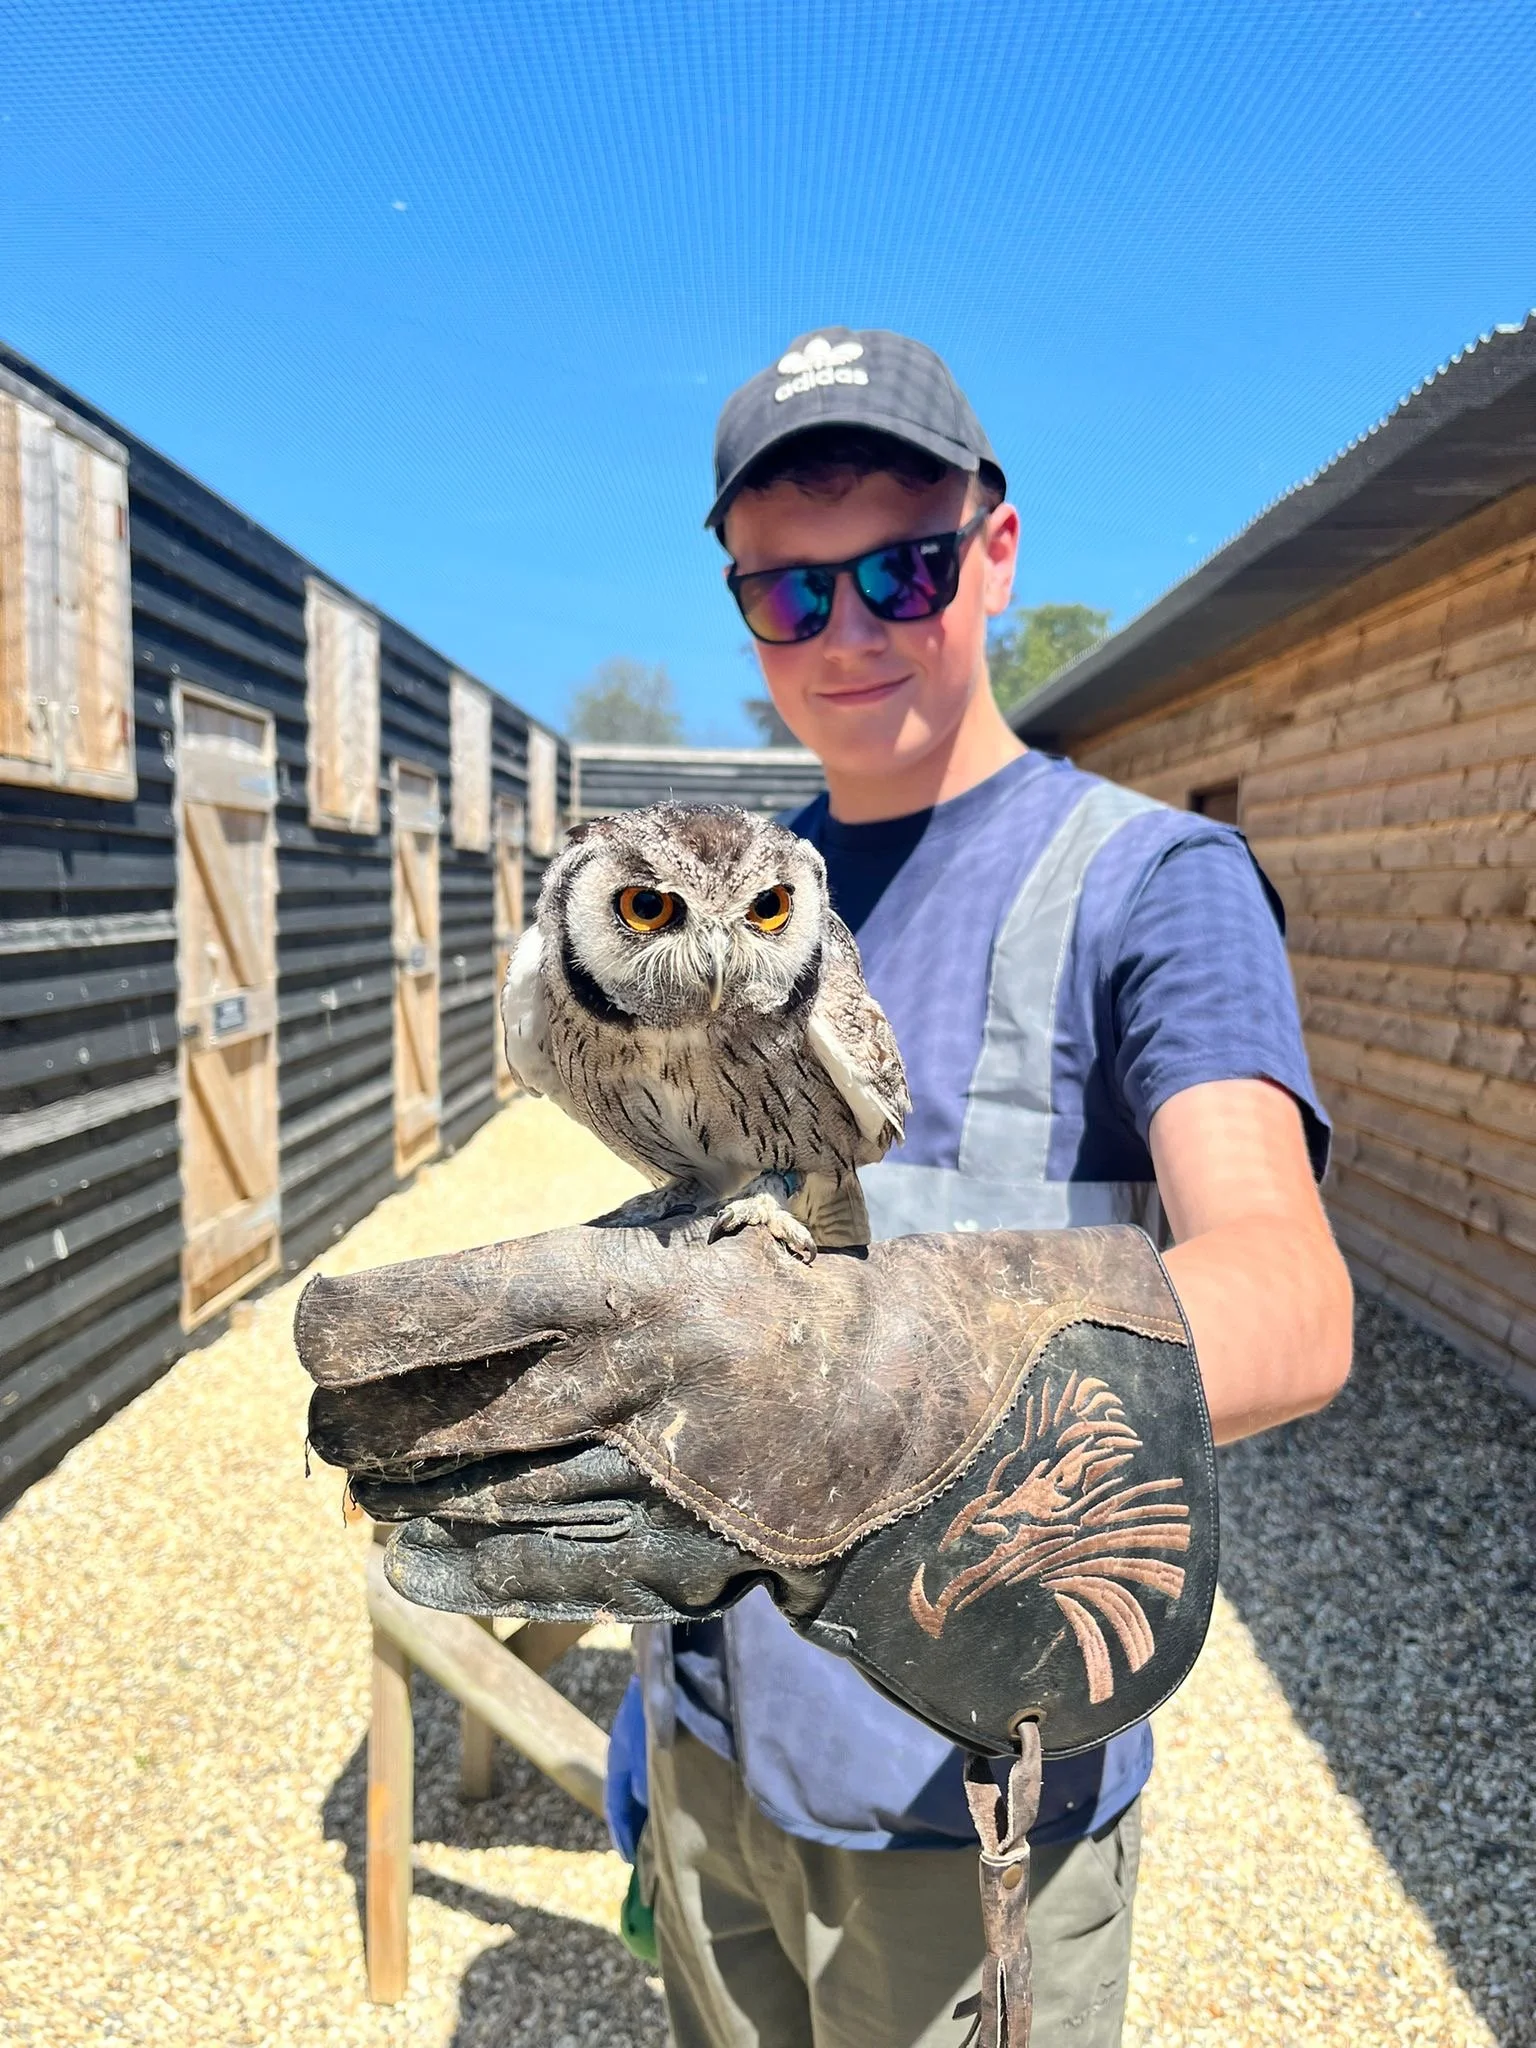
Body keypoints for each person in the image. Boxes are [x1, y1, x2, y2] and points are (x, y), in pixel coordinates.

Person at [606, 326, 1355, 2048]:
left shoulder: (1153, 885)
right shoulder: (737, 899)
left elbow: (1291, 1301)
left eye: (903, 570)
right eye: (789, 595)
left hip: (968, 1793)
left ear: (994, 556)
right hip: (717, 1727)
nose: (848, 632)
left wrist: (877, 1380)